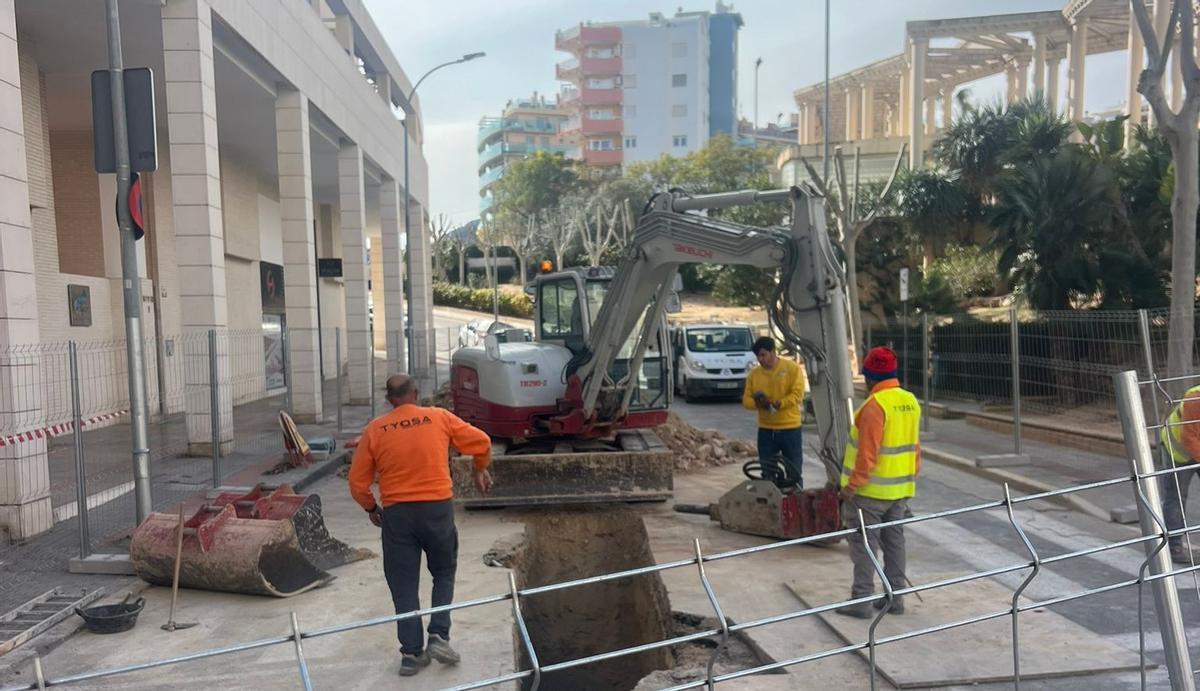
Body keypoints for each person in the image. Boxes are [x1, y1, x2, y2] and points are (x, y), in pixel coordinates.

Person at [348, 374, 494, 677]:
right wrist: (480, 469)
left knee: (403, 584)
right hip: (437, 510)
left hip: (397, 515)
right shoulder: (439, 417)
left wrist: (371, 508)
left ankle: (411, 654)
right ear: (415, 394)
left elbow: (357, 483)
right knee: (443, 572)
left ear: (389, 400)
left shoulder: (375, 430)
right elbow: (482, 442)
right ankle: (439, 635)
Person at [835, 347, 921, 619]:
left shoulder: (874, 407)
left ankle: (861, 600)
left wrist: (850, 488)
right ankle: (895, 598)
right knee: (894, 543)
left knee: (864, 545)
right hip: (900, 491)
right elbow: (915, 449)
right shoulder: (910, 401)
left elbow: (867, 455)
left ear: (870, 376)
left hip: (869, 493)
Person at [741, 336, 806, 486]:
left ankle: (795, 496)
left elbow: (797, 394)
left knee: (794, 472)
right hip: (766, 431)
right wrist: (760, 404)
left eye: (763, 355)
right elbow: (746, 401)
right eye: (758, 356)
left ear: (773, 352)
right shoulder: (754, 375)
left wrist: (779, 404)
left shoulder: (792, 369)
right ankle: (771, 498)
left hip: (790, 429)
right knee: (767, 473)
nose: (760, 359)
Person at [1160, 383, 1200, 564]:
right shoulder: (1195, 399)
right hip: (1178, 451)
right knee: (1176, 497)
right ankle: (1174, 546)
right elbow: (1188, 438)